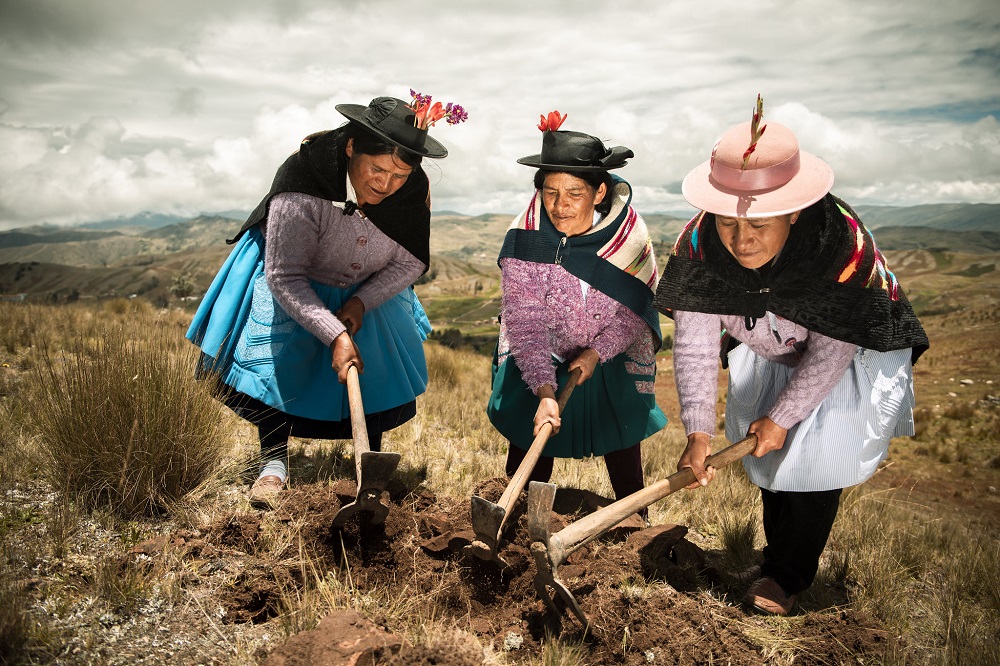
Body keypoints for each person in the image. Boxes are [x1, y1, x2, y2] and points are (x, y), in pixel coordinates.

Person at [653, 96, 928, 615]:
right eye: (728, 224)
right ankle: (775, 556)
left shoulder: (837, 247)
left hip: (850, 350)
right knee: (771, 452)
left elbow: (833, 344)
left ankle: (786, 576)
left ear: (793, 211)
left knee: (814, 453)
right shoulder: (698, 249)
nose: (741, 240)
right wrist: (697, 432)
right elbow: (693, 342)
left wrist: (782, 416)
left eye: (759, 226)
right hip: (772, 343)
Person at [187, 93, 466, 509]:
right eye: (377, 169)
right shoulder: (305, 178)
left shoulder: (413, 190)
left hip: (366, 284)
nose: (385, 185)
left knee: (375, 362)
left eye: (399, 175)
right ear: (352, 147)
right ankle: (273, 462)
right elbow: (284, 275)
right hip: (292, 277)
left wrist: (360, 303)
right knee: (280, 357)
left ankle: (367, 462)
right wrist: (334, 333)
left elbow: (410, 262)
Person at [486, 111, 667, 509]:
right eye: (550, 192)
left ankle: (636, 527)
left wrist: (596, 352)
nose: (560, 205)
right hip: (540, 359)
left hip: (611, 357)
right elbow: (525, 322)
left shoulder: (627, 238)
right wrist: (545, 391)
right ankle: (515, 517)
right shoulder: (525, 242)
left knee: (622, 449)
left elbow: (633, 311)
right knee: (532, 442)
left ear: (599, 193)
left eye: (574, 193)